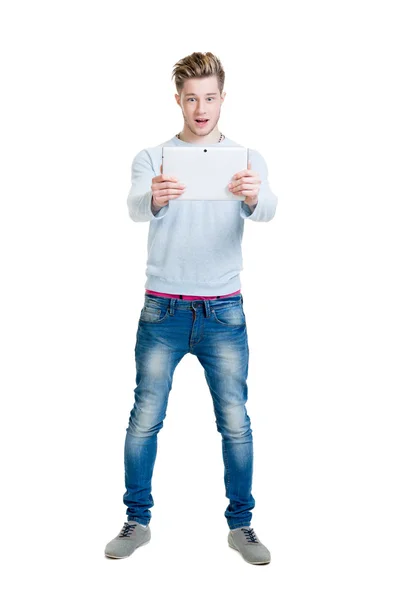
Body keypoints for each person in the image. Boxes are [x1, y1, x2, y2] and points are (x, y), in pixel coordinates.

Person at [104, 52, 278, 565]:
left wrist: (254, 195)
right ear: (177, 99)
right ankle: (137, 520)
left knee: (235, 422)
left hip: (224, 311)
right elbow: (134, 207)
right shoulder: (153, 157)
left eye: (209, 97)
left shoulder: (247, 158)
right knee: (144, 419)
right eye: (191, 98)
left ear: (223, 98)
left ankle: (241, 526)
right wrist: (154, 198)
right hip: (163, 310)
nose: (201, 108)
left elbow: (268, 209)